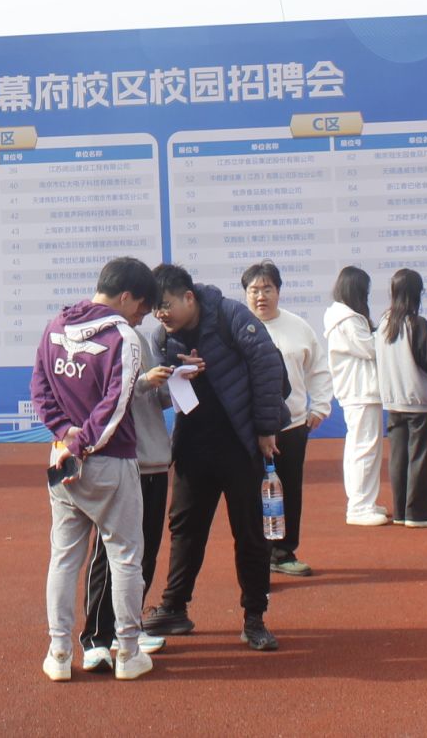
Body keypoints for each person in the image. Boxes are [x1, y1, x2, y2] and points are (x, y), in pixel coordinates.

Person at [144, 263, 286, 652]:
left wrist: (265, 428)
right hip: (193, 444)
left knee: (250, 533)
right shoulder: (161, 336)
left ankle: (254, 618)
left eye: (165, 305)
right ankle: (175, 607)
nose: (160, 314)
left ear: (188, 297)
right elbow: (163, 393)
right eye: (155, 308)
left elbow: (267, 366)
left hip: (241, 444)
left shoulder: (230, 315)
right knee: (184, 528)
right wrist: (178, 373)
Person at [33, 257, 157, 681]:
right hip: (109, 462)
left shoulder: (54, 326)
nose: (140, 318)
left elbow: (39, 390)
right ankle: (128, 653)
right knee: (125, 557)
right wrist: (81, 443)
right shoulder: (124, 337)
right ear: (126, 297)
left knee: (64, 558)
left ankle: (59, 654)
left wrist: (65, 436)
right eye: (141, 308)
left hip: (63, 462)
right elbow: (114, 406)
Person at [82, 293, 174, 659]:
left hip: (153, 460)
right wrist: (146, 382)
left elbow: (157, 399)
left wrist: (175, 377)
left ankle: (128, 627)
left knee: (143, 553)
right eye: (144, 305)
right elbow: (106, 399)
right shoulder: (103, 339)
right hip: (124, 461)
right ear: (126, 296)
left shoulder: (139, 337)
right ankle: (97, 636)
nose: (147, 314)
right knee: (110, 553)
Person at [242, 260, 331, 573]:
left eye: (267, 289)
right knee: (251, 494)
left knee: (289, 490)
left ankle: (283, 552)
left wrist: (320, 406)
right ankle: (257, 557)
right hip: (250, 428)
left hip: (291, 424)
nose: (261, 296)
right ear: (245, 294)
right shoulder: (235, 328)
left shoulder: (298, 326)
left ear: (278, 291)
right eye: (254, 290)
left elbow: (318, 368)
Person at [376, 269, 427, 529]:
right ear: (417, 293)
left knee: (399, 457)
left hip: (393, 399)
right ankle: (418, 513)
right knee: (421, 457)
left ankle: (401, 511)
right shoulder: (417, 323)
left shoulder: (384, 323)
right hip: (418, 399)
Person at [321, 266, 386, 526]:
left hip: (358, 392)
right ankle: (360, 507)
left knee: (359, 448)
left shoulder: (342, 316)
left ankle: (363, 501)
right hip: (361, 392)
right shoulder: (347, 319)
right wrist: (388, 330)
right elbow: (371, 349)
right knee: (364, 449)